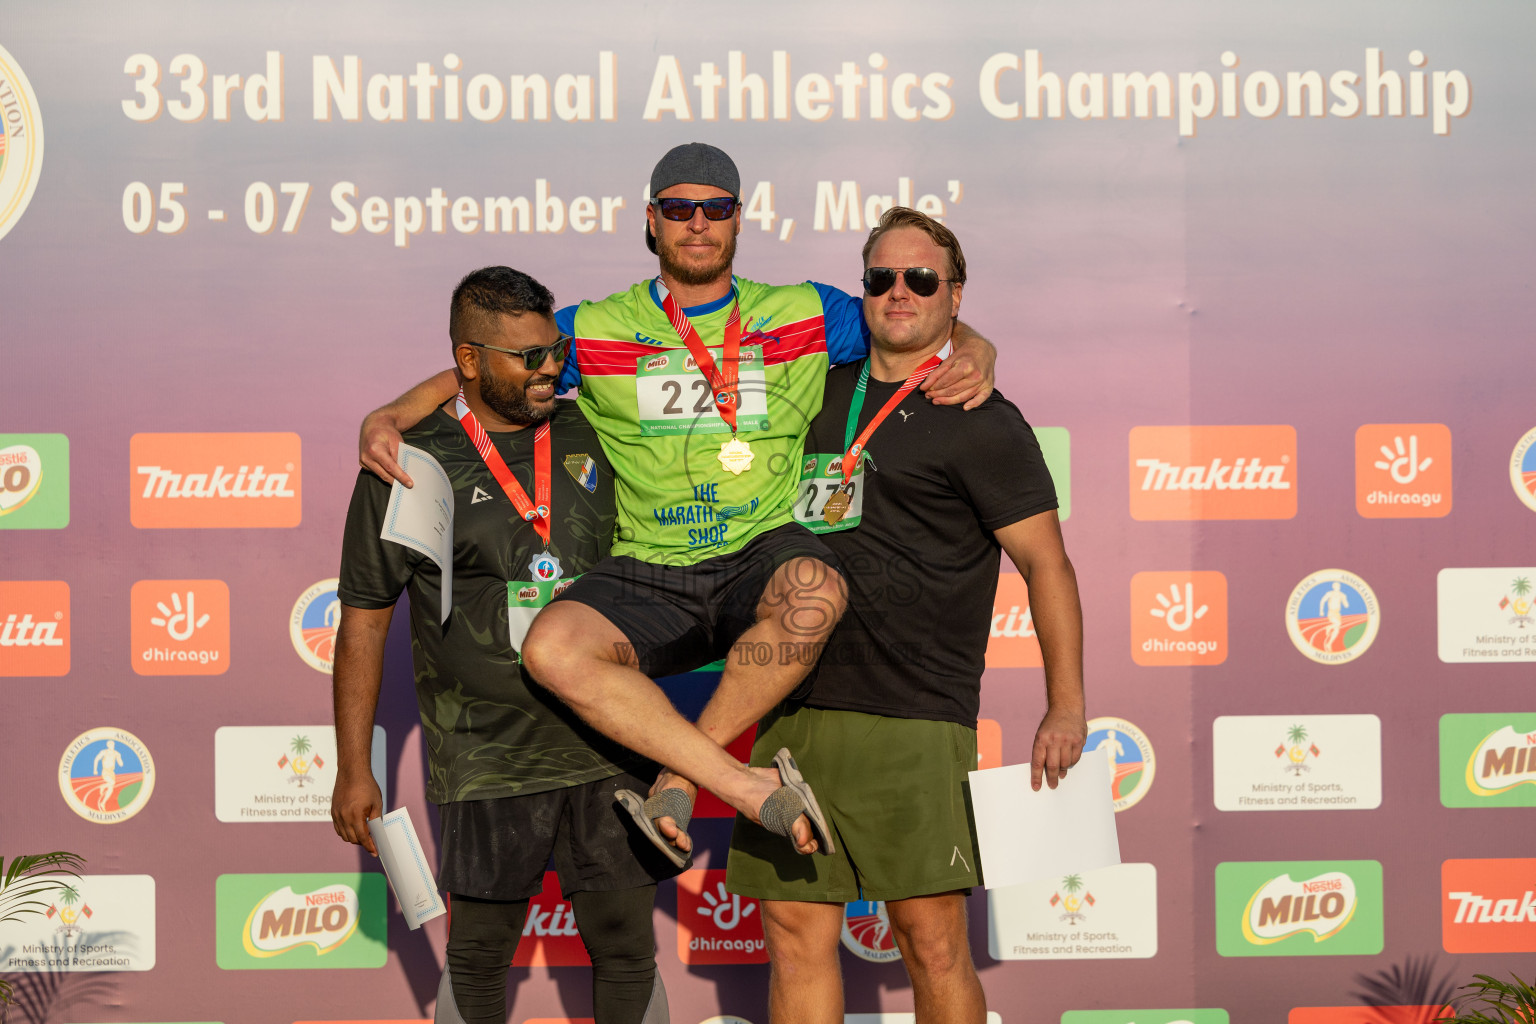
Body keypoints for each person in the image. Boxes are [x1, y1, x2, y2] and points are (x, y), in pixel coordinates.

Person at [358, 144, 996, 866]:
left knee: (816, 592)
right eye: (680, 209)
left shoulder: (805, 311)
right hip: (650, 564)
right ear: (652, 223)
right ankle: (741, 786)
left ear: (737, 222)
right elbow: (490, 363)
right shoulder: (595, 327)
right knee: (551, 648)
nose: (698, 223)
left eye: (716, 209)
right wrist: (391, 412)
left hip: (761, 549)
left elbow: (911, 316)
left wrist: (978, 345)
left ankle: (677, 778)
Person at [725, 208, 1087, 1024]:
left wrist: (1066, 704)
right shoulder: (813, 388)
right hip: (788, 706)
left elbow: (1047, 566)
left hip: (916, 717)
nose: (899, 293)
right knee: (793, 935)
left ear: (954, 297)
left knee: (931, 942)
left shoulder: (983, 417)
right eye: (880, 278)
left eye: (921, 279)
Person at [331, 267, 675, 1024]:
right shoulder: (409, 464)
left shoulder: (600, 429)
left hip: (610, 738)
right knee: (480, 954)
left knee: (624, 946)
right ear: (469, 360)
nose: (551, 368)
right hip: (483, 751)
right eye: (527, 357)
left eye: (555, 350)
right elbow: (364, 616)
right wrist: (353, 767)